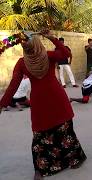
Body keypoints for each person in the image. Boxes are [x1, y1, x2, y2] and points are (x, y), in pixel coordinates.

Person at [0, 30, 86, 180]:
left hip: (43, 100)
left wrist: (2, 104)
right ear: (37, 44)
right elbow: (65, 53)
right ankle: (71, 160)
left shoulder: (24, 62)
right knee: (61, 131)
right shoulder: (47, 55)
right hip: (54, 98)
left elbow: (13, 85)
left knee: (42, 136)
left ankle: (41, 170)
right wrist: (52, 38)